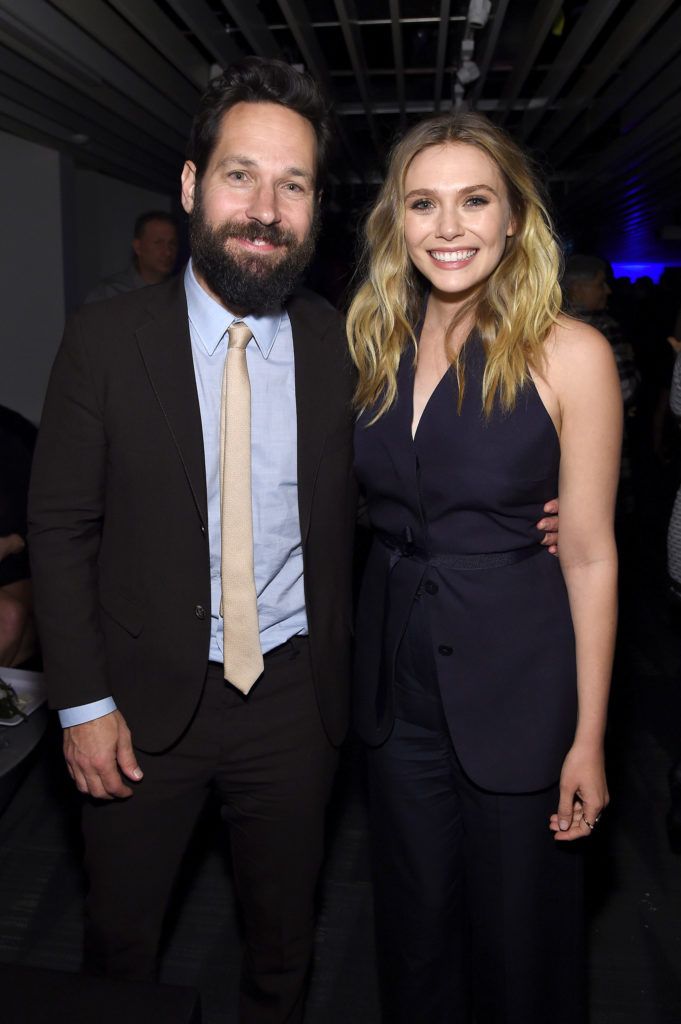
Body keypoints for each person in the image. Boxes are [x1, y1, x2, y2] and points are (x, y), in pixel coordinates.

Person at [28, 58, 357, 1024]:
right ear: (190, 185)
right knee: (121, 946)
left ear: (314, 208)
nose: (265, 207)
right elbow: (59, 526)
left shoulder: (341, 345)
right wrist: (81, 702)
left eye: (292, 184)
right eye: (240, 175)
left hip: (296, 699)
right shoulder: (104, 341)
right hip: (133, 705)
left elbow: (389, 494)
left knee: (284, 946)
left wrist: (522, 517)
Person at [347, 112, 621, 1023]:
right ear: (397, 223)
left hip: (520, 687)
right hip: (396, 694)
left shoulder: (568, 353)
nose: (449, 226)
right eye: (423, 204)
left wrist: (587, 737)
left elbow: (586, 552)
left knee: (522, 946)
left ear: (513, 219)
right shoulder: (371, 348)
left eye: (474, 201)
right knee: (413, 936)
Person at [84, 210, 179, 302]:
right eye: (158, 243)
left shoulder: (180, 293)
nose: (168, 252)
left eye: (172, 243)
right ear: (138, 247)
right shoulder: (109, 294)